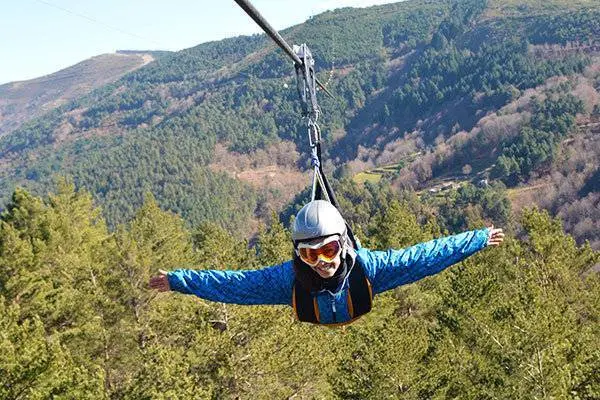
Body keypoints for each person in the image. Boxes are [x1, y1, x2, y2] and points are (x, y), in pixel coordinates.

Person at [149, 200, 505, 326]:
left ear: (344, 245)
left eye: (329, 250)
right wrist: (181, 281)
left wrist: (475, 239)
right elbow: (233, 285)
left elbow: (425, 256)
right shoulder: (288, 281)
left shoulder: (369, 268)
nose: (321, 263)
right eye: (309, 254)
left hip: (352, 301)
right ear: (298, 255)